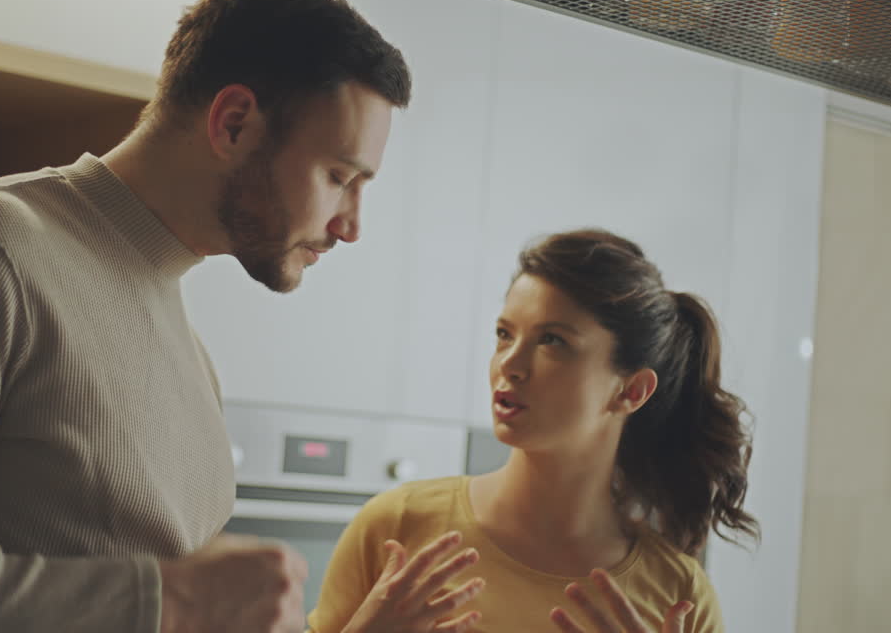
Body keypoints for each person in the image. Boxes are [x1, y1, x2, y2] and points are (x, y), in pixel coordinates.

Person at [0, 0, 411, 633]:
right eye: (338, 177)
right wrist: (170, 600)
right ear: (234, 123)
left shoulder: (194, 356)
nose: (350, 224)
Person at [306, 228, 760, 633]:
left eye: (552, 341)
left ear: (632, 390)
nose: (509, 364)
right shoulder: (397, 527)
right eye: (505, 335)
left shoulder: (679, 595)